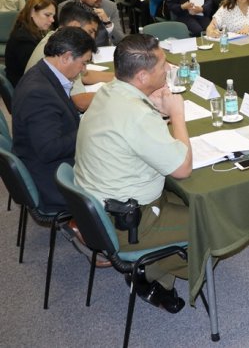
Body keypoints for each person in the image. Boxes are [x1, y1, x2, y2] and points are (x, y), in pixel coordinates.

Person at [75, 34, 192, 313]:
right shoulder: (137, 115)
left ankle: (155, 271)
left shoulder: (108, 91)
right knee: (212, 222)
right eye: (163, 65)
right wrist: (177, 114)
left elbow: (127, 127)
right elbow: (183, 169)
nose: (168, 69)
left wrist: (152, 106)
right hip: (129, 223)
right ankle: (149, 273)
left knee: (190, 202)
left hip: (102, 210)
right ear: (141, 76)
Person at [12, 27, 96, 213]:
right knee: (122, 171)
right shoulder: (38, 93)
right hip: (53, 180)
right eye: (83, 63)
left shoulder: (43, 73)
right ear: (66, 57)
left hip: (49, 164)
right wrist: (89, 127)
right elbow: (50, 149)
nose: (84, 69)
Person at [25, 3, 107, 112]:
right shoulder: (64, 50)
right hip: (49, 114)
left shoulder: (56, 38)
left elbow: (85, 75)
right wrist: (117, 93)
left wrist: (119, 78)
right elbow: (80, 102)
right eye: (90, 31)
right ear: (74, 26)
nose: (92, 38)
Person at [5, 0, 55, 86]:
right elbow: (39, 69)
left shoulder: (35, 31)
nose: (52, 20)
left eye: (53, 16)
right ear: (32, 12)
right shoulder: (23, 39)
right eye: (47, 15)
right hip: (25, 88)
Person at [60, 0, 124, 47]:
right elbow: (63, 38)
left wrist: (107, 23)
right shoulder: (65, 8)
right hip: (75, 51)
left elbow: (120, 41)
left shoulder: (110, 7)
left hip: (100, 50)